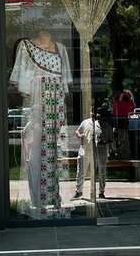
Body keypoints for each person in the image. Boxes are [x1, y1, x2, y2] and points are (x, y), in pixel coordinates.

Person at [9, 22, 72, 219]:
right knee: (37, 151)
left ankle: (55, 197)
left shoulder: (60, 49)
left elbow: (65, 81)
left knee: (56, 149)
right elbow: (23, 83)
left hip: (56, 102)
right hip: (38, 100)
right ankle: (38, 198)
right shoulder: (26, 46)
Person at [72, 107, 112, 200]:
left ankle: (101, 192)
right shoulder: (85, 122)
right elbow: (78, 131)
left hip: (99, 152)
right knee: (81, 171)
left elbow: (110, 139)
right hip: (84, 150)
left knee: (101, 172)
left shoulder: (105, 126)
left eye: (98, 113)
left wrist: (104, 142)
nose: (95, 114)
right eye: (93, 112)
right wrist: (80, 135)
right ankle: (78, 191)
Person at [112, 84, 135, 160]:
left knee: (121, 134)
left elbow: (116, 106)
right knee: (123, 135)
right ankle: (124, 152)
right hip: (123, 118)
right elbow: (131, 105)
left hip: (120, 118)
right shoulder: (125, 95)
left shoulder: (119, 95)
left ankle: (121, 152)